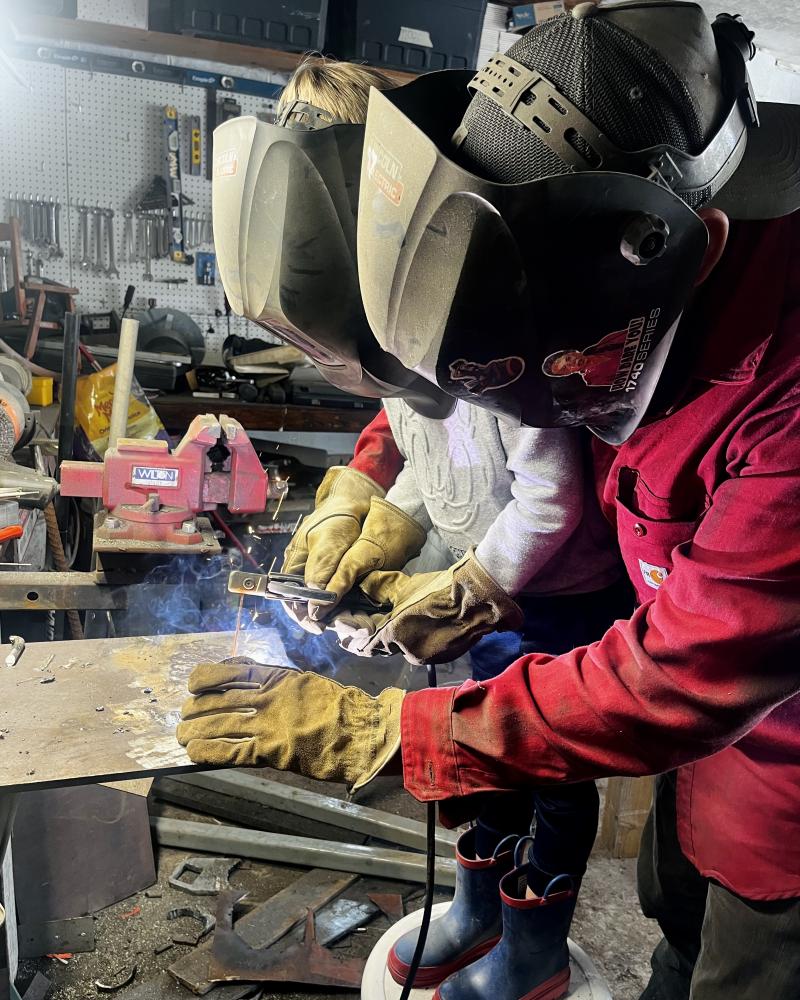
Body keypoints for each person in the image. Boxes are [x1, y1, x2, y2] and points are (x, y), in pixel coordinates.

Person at [181, 5, 800, 999]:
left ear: (692, 249)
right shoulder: (629, 306)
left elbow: (679, 675)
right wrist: (367, 495)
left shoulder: (775, 405)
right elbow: (435, 398)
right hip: (707, 764)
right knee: (675, 927)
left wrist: (396, 732)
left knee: (744, 968)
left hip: (782, 782)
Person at [274, 52, 631, 991]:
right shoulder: (392, 345)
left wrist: (474, 585)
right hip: (497, 582)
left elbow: (549, 498)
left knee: (551, 765)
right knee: (486, 746)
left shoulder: (486, 321)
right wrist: (381, 532)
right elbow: (432, 469)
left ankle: (535, 950)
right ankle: (479, 911)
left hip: (558, 592)